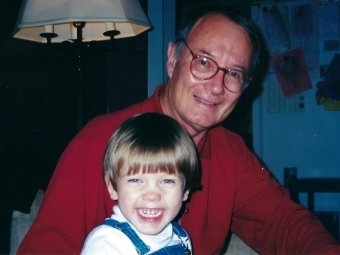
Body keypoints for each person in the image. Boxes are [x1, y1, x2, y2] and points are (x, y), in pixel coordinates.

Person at [18, 3, 340, 255]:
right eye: (203, 62)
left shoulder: (231, 152)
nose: (216, 87)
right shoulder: (100, 142)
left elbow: (283, 224)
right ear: (172, 59)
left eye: (234, 74)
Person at [80, 113, 198, 255]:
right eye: (135, 180)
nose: (152, 195)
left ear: (185, 191)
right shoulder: (107, 243)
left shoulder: (180, 237)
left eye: (167, 181)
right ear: (111, 185)